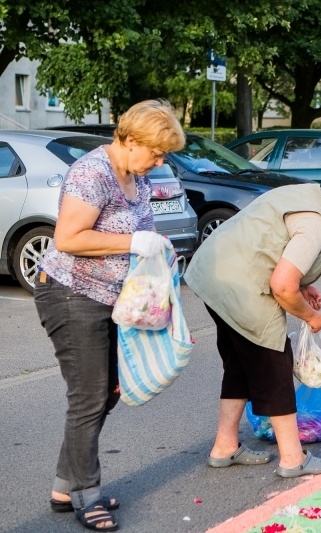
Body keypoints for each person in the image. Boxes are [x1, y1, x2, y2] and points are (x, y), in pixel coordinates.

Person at [34, 100, 185, 531]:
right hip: (70, 293)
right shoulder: (92, 173)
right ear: (131, 139)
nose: (160, 161)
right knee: (89, 396)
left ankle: (67, 486)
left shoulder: (134, 175)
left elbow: (139, 231)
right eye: (156, 152)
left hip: (111, 298)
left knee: (110, 391)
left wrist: (158, 249)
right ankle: (86, 495)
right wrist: (135, 243)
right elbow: (67, 238)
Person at [183, 178, 321, 478]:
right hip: (242, 287)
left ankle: (224, 447)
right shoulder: (315, 224)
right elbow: (283, 287)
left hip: (213, 275)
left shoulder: (308, 194)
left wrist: (305, 284)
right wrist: (311, 317)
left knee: (239, 365)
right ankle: (292, 458)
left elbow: (273, 244)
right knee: (275, 366)